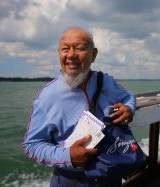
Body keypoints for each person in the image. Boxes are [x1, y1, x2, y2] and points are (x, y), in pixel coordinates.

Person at [22, 27, 135, 186]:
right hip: (72, 180)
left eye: (80, 48)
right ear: (59, 53)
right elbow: (32, 145)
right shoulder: (47, 97)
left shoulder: (105, 81)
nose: (71, 55)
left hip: (110, 172)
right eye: (65, 49)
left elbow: (128, 96)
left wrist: (129, 108)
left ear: (93, 54)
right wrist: (68, 156)